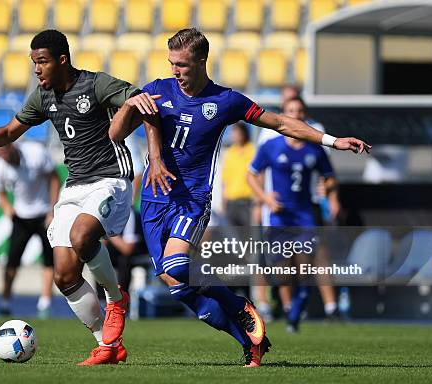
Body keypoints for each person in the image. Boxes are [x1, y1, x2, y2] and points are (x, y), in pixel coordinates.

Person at [108, 28, 370, 367]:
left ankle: (239, 305)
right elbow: (115, 134)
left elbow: (280, 123)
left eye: (183, 65)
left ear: (201, 61)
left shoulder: (225, 101)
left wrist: (332, 141)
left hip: (192, 198)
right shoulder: (158, 90)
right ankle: (250, 342)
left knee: (177, 264)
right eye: (172, 63)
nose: (176, 71)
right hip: (153, 201)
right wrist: (130, 104)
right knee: (181, 290)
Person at [0, 29, 146, 365]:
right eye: (33, 62)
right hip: (76, 185)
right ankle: (107, 346)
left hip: (111, 179)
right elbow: (11, 131)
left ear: (62, 60)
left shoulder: (95, 85)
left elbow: (137, 99)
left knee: (83, 237)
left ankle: (115, 298)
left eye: (42, 61)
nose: (37, 69)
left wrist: (129, 119)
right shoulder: (44, 96)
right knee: (63, 275)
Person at [246, 96, 341, 332]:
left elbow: (330, 177)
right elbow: (251, 175)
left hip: (304, 215)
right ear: (285, 114)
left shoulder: (314, 148)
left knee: (305, 266)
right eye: (291, 111)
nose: (296, 115)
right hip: (278, 216)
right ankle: (290, 311)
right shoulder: (271, 145)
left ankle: (298, 310)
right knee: (282, 269)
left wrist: (327, 188)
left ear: (305, 115)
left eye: (299, 111)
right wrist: (266, 198)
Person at [0, 142, 60, 318]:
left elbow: (54, 178)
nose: (5, 159)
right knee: (12, 261)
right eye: (1, 156)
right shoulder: (0, 166)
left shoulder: (36, 152)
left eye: (6, 153)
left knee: (48, 260)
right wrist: (8, 209)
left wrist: (53, 209)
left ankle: (45, 302)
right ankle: (5, 302)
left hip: (44, 213)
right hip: (21, 216)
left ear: (12, 146)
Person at [221, 122, 256, 227]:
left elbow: (257, 176)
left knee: (249, 237)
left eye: (237, 132)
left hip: (248, 202)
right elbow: (225, 180)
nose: (235, 135)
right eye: (233, 133)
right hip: (231, 202)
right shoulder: (230, 153)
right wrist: (224, 202)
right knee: (232, 238)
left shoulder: (252, 150)